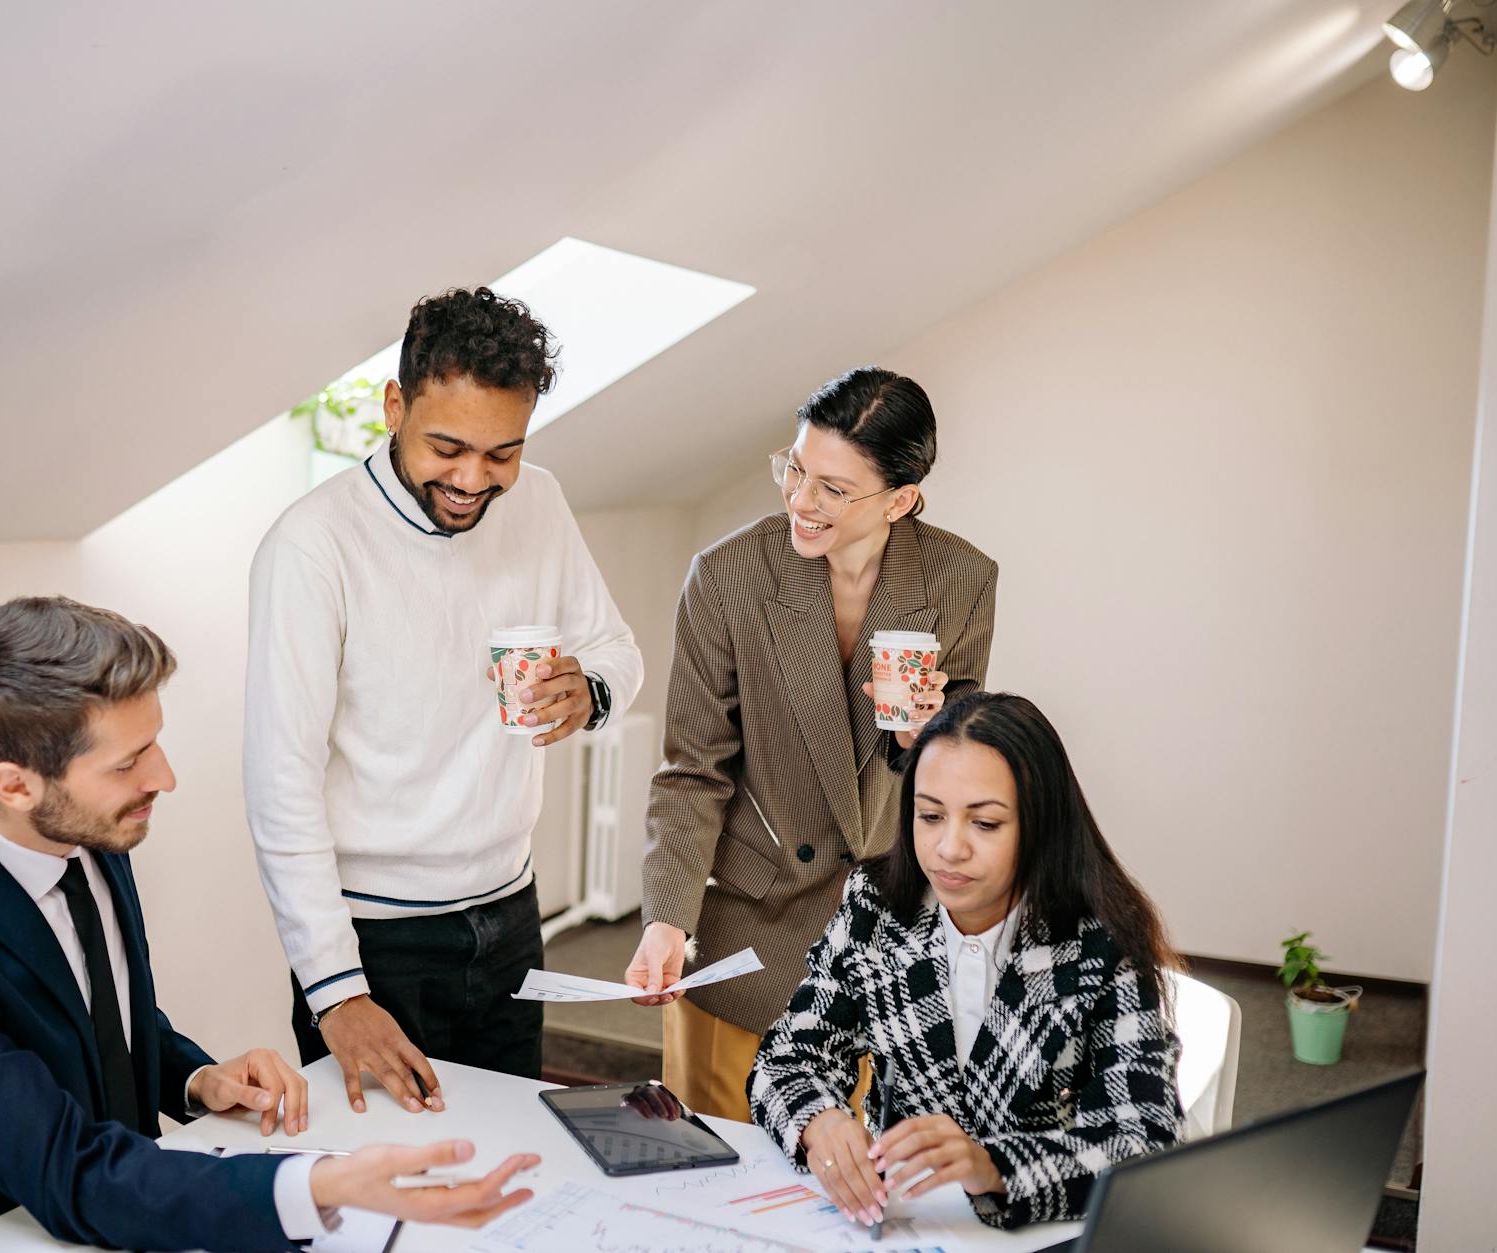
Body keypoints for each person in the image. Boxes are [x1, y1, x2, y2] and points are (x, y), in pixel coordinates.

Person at [0, 597, 537, 1253]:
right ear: (15, 784)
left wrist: (194, 1078)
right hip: (3, 1233)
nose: (163, 778)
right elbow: (70, 1172)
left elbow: (93, 1018)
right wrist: (313, 1186)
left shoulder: (86, 832)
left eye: (154, 743)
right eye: (128, 762)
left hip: (130, 1206)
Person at [245, 287, 642, 1113]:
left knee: (516, 1154)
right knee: (385, 1175)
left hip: (512, 914)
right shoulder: (312, 546)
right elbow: (281, 785)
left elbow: (616, 647)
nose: (472, 479)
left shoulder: (539, 501)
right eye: (448, 447)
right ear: (395, 406)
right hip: (376, 940)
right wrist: (335, 990)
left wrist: (592, 689)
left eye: (502, 453)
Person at [627, 366, 997, 1122]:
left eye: (833, 488)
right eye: (795, 469)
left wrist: (923, 737)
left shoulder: (961, 578)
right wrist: (667, 917)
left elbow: (961, 766)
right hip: (751, 925)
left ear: (900, 499)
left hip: (887, 925)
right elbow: (693, 771)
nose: (800, 500)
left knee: (859, 1166)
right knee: (718, 1156)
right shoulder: (726, 577)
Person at [748, 692, 1184, 1231]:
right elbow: (786, 1057)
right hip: (902, 1222)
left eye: (986, 824)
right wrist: (821, 1123)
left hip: (1045, 1229)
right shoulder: (876, 904)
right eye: (930, 816)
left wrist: (993, 1167)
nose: (949, 848)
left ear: (1041, 824)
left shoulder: (1101, 939)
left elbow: (1146, 1139)